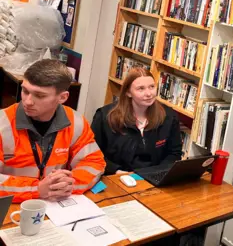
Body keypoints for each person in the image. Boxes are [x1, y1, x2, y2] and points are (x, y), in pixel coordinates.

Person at [0, 59, 106, 203]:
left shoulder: (76, 122)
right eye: (25, 91)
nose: (27, 101)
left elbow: (93, 163)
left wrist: (69, 184)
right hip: (12, 206)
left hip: (57, 205)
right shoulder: (2, 123)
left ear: (63, 97)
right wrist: (36, 189)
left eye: (40, 95)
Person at [91, 67, 183, 175]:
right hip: (115, 177)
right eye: (141, 89)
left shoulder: (169, 117)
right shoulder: (104, 116)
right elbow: (92, 154)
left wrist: (158, 173)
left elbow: (174, 153)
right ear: (128, 93)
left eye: (152, 87)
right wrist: (116, 171)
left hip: (154, 178)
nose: (149, 93)